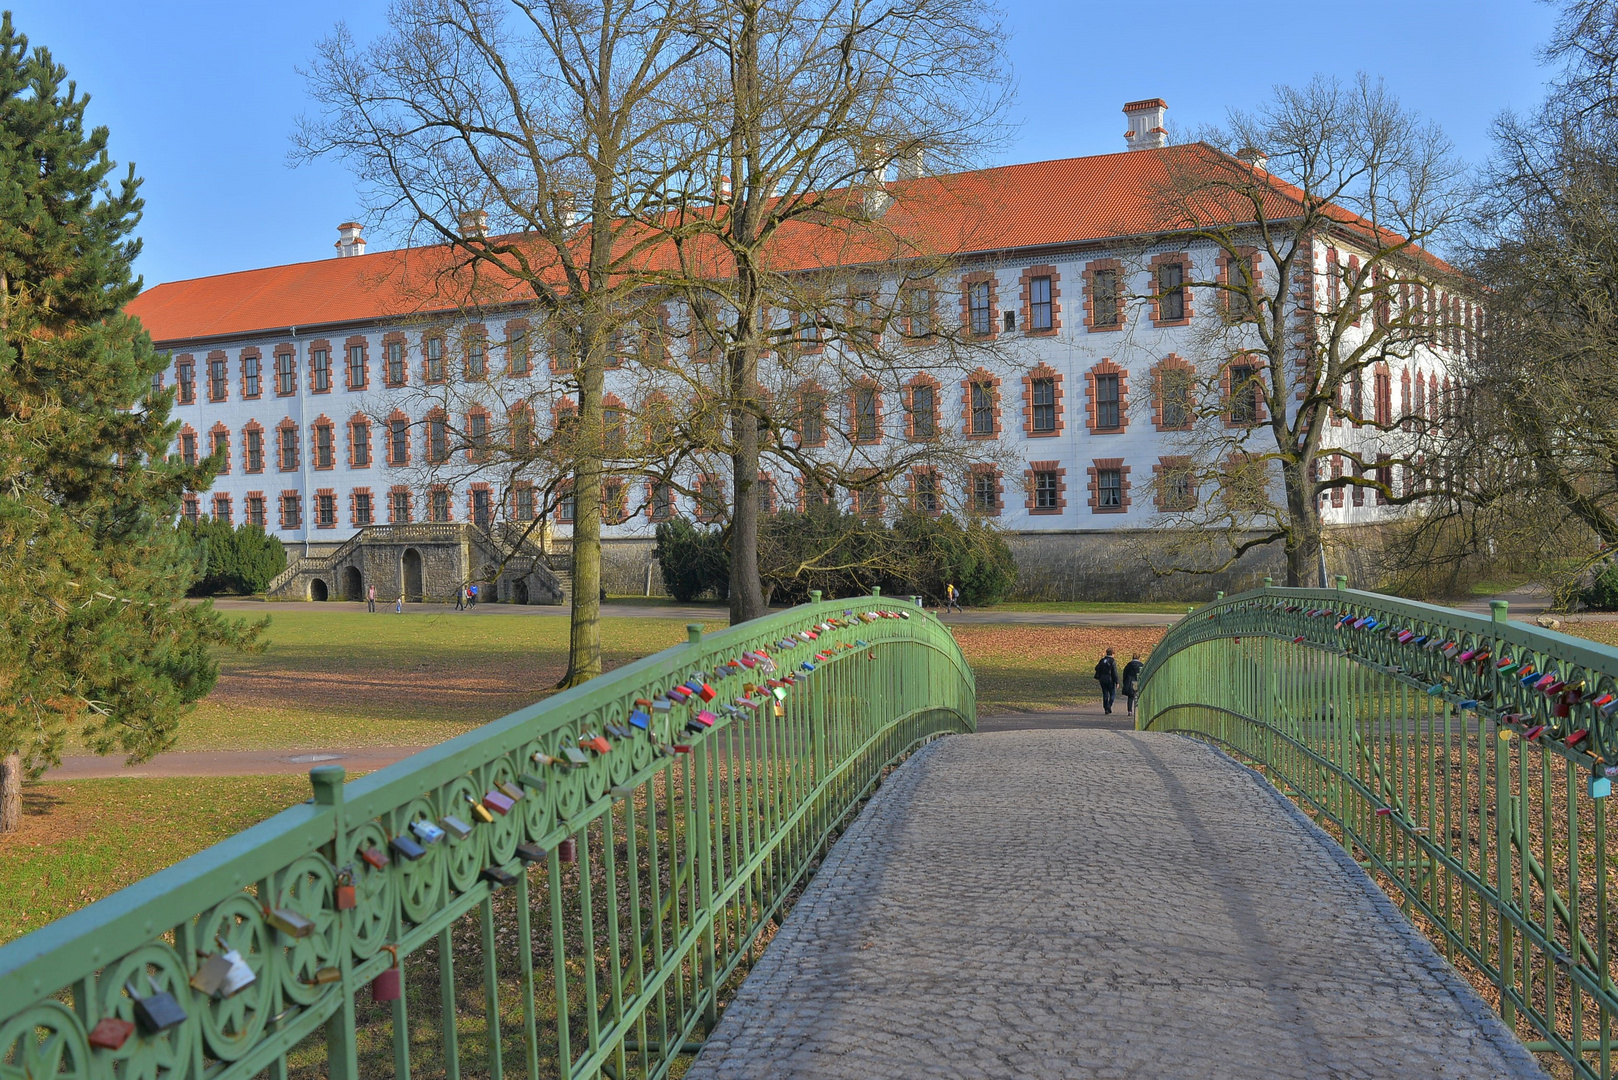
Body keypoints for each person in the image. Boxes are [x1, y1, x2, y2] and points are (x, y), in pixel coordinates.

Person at [1093, 647, 1119, 715]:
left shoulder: (1102, 660)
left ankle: (1105, 708)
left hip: (1102, 679)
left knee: (1105, 694)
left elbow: (1096, 668)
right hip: (1110, 679)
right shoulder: (1112, 661)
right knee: (1112, 694)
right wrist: (1117, 681)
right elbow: (1114, 672)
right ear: (1112, 653)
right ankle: (1109, 705)